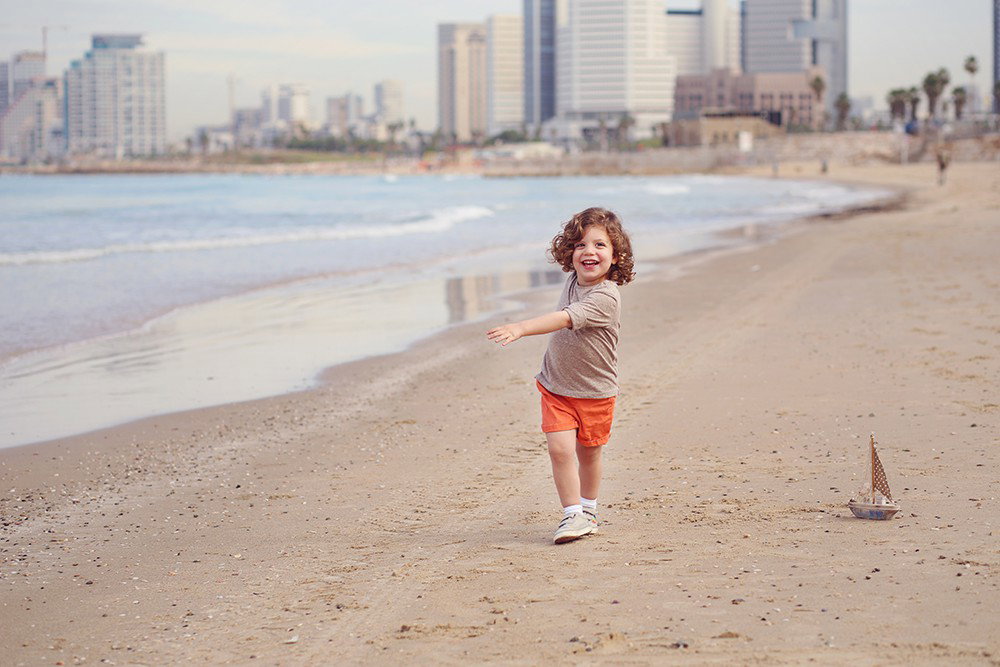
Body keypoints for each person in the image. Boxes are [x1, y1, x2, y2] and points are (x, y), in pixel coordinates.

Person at [486, 207, 635, 544]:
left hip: (595, 391)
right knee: (560, 450)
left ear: (615, 255)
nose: (589, 252)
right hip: (556, 386)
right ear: (569, 251)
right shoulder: (573, 279)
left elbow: (565, 318)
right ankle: (572, 514)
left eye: (600, 245)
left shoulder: (606, 297)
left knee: (589, 452)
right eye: (581, 244)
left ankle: (589, 508)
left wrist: (522, 327)